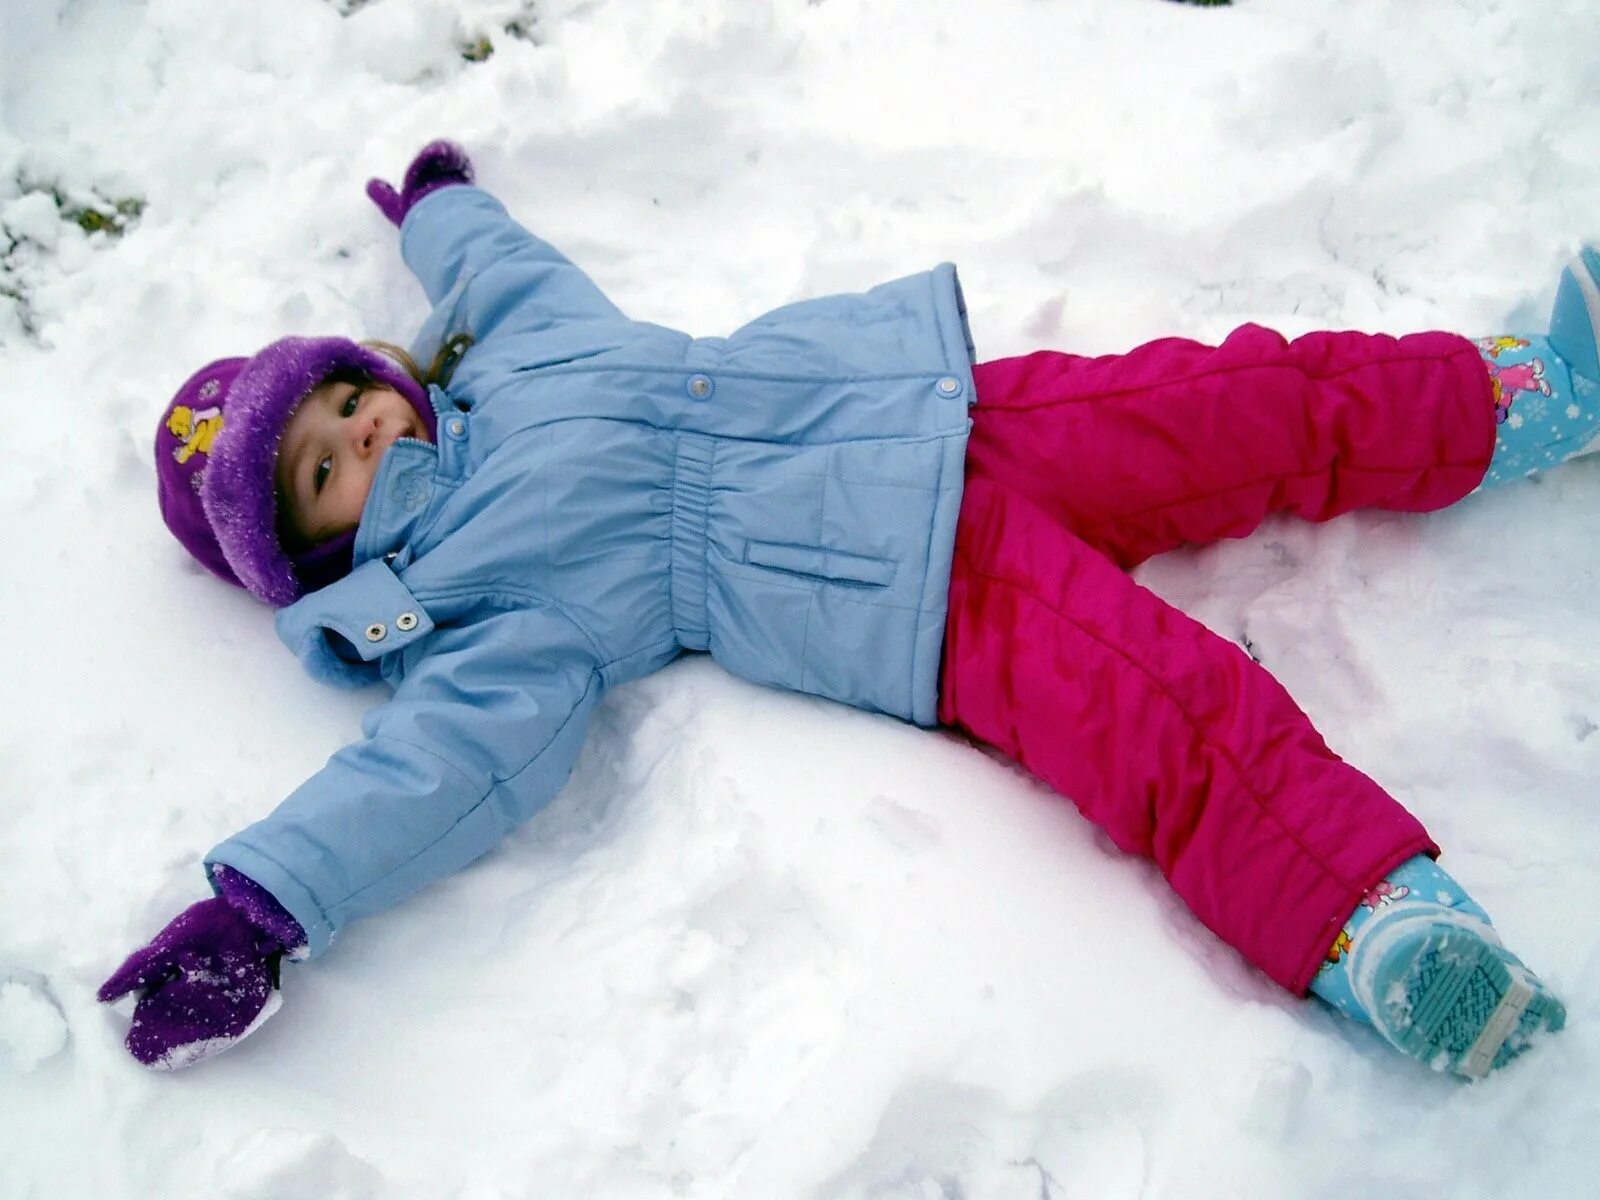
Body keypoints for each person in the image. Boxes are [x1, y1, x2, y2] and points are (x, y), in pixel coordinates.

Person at [100, 141, 1590, 1077]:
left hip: (948, 415)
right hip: (916, 590)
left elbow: (505, 270)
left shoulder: (519, 353)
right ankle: (1377, 930)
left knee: (1239, 396)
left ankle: (1513, 397)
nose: (358, 437)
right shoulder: (474, 608)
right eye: (317, 473)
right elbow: (429, 773)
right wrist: (265, 904)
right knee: (1164, 711)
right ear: (309, 559)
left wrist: (441, 208)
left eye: (345, 399)